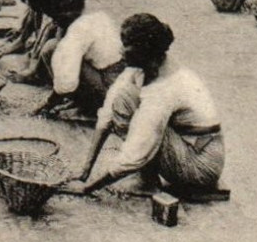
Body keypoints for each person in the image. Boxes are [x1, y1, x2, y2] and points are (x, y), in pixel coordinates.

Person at [71, 14, 224, 199]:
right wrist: (84, 171)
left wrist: (87, 189)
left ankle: (147, 183)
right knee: (123, 98)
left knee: (140, 121)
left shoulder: (164, 87)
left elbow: (136, 153)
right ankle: (146, 177)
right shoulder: (144, 65)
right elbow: (107, 113)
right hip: (191, 145)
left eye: (126, 46)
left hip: (200, 165)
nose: (120, 50)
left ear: (143, 51)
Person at [33, 0, 124, 123]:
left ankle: (91, 111)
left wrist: (48, 104)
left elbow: (67, 81)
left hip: (109, 90)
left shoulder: (79, 29)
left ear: (66, 12)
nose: (54, 22)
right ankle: (81, 102)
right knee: (56, 48)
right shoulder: (93, 11)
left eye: (55, 17)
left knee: (53, 50)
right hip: (117, 81)